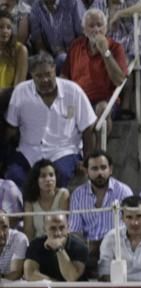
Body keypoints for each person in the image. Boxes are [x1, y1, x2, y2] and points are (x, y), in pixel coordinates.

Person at [5, 52, 96, 189]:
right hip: (29, 151)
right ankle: (29, 209)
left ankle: (56, 210)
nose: (45, 80)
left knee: (62, 175)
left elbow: (88, 129)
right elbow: (11, 129)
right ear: (31, 75)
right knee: (13, 174)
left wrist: (87, 161)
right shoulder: (20, 92)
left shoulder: (73, 91)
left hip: (64, 150)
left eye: (48, 74)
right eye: (39, 76)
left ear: (55, 70)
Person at [68, 149, 134, 270]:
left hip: (117, 249)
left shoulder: (124, 191)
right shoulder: (78, 194)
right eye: (94, 168)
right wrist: (86, 247)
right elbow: (75, 231)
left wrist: (105, 243)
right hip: (88, 251)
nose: (100, 172)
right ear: (87, 171)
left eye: (103, 168)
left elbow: (131, 226)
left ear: (110, 170)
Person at [63, 8, 127, 125]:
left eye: (99, 25)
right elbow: (64, 75)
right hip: (79, 100)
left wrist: (105, 52)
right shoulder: (76, 46)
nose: (96, 30)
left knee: (101, 109)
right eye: (91, 26)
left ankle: (98, 143)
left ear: (106, 28)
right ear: (84, 30)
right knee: (67, 113)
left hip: (105, 101)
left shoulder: (116, 48)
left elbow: (119, 81)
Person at [23, 214, 87, 281]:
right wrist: (55, 284)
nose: (58, 233)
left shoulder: (79, 246)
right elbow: (29, 274)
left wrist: (59, 248)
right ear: (45, 229)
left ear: (68, 228)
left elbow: (71, 277)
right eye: (53, 228)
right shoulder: (35, 244)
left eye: (62, 228)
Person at [21, 158, 70, 240]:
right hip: (38, 245)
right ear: (36, 180)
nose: (48, 179)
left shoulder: (63, 194)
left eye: (51, 175)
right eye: (43, 176)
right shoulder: (30, 202)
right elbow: (28, 232)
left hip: (59, 240)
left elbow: (63, 227)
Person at [28, 0, 81, 70]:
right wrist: (47, 58)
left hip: (73, 52)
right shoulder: (36, 7)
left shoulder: (71, 3)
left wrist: (70, 52)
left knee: (63, 58)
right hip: (49, 55)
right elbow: (38, 40)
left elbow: (80, 34)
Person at [0, 9, 27, 116]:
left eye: (8, 28)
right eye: (0, 27)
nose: (5, 31)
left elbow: (19, 87)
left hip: (10, 97)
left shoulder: (20, 50)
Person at [0, 209, 27, 280]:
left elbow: (15, 273)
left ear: (9, 226)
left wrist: (1, 278)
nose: (1, 234)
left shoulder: (19, 239)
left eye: (4, 227)